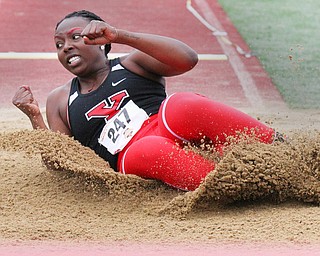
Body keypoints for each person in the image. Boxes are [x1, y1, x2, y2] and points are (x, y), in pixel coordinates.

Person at [12, 10, 278, 191]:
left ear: (102, 42)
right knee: (149, 148)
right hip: (131, 156)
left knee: (180, 104)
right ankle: (237, 184)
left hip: (167, 124)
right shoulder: (59, 100)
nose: (66, 47)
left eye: (75, 37)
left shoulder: (131, 63)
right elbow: (61, 165)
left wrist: (120, 35)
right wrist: (35, 116)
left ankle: (278, 150)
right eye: (59, 44)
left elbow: (188, 58)